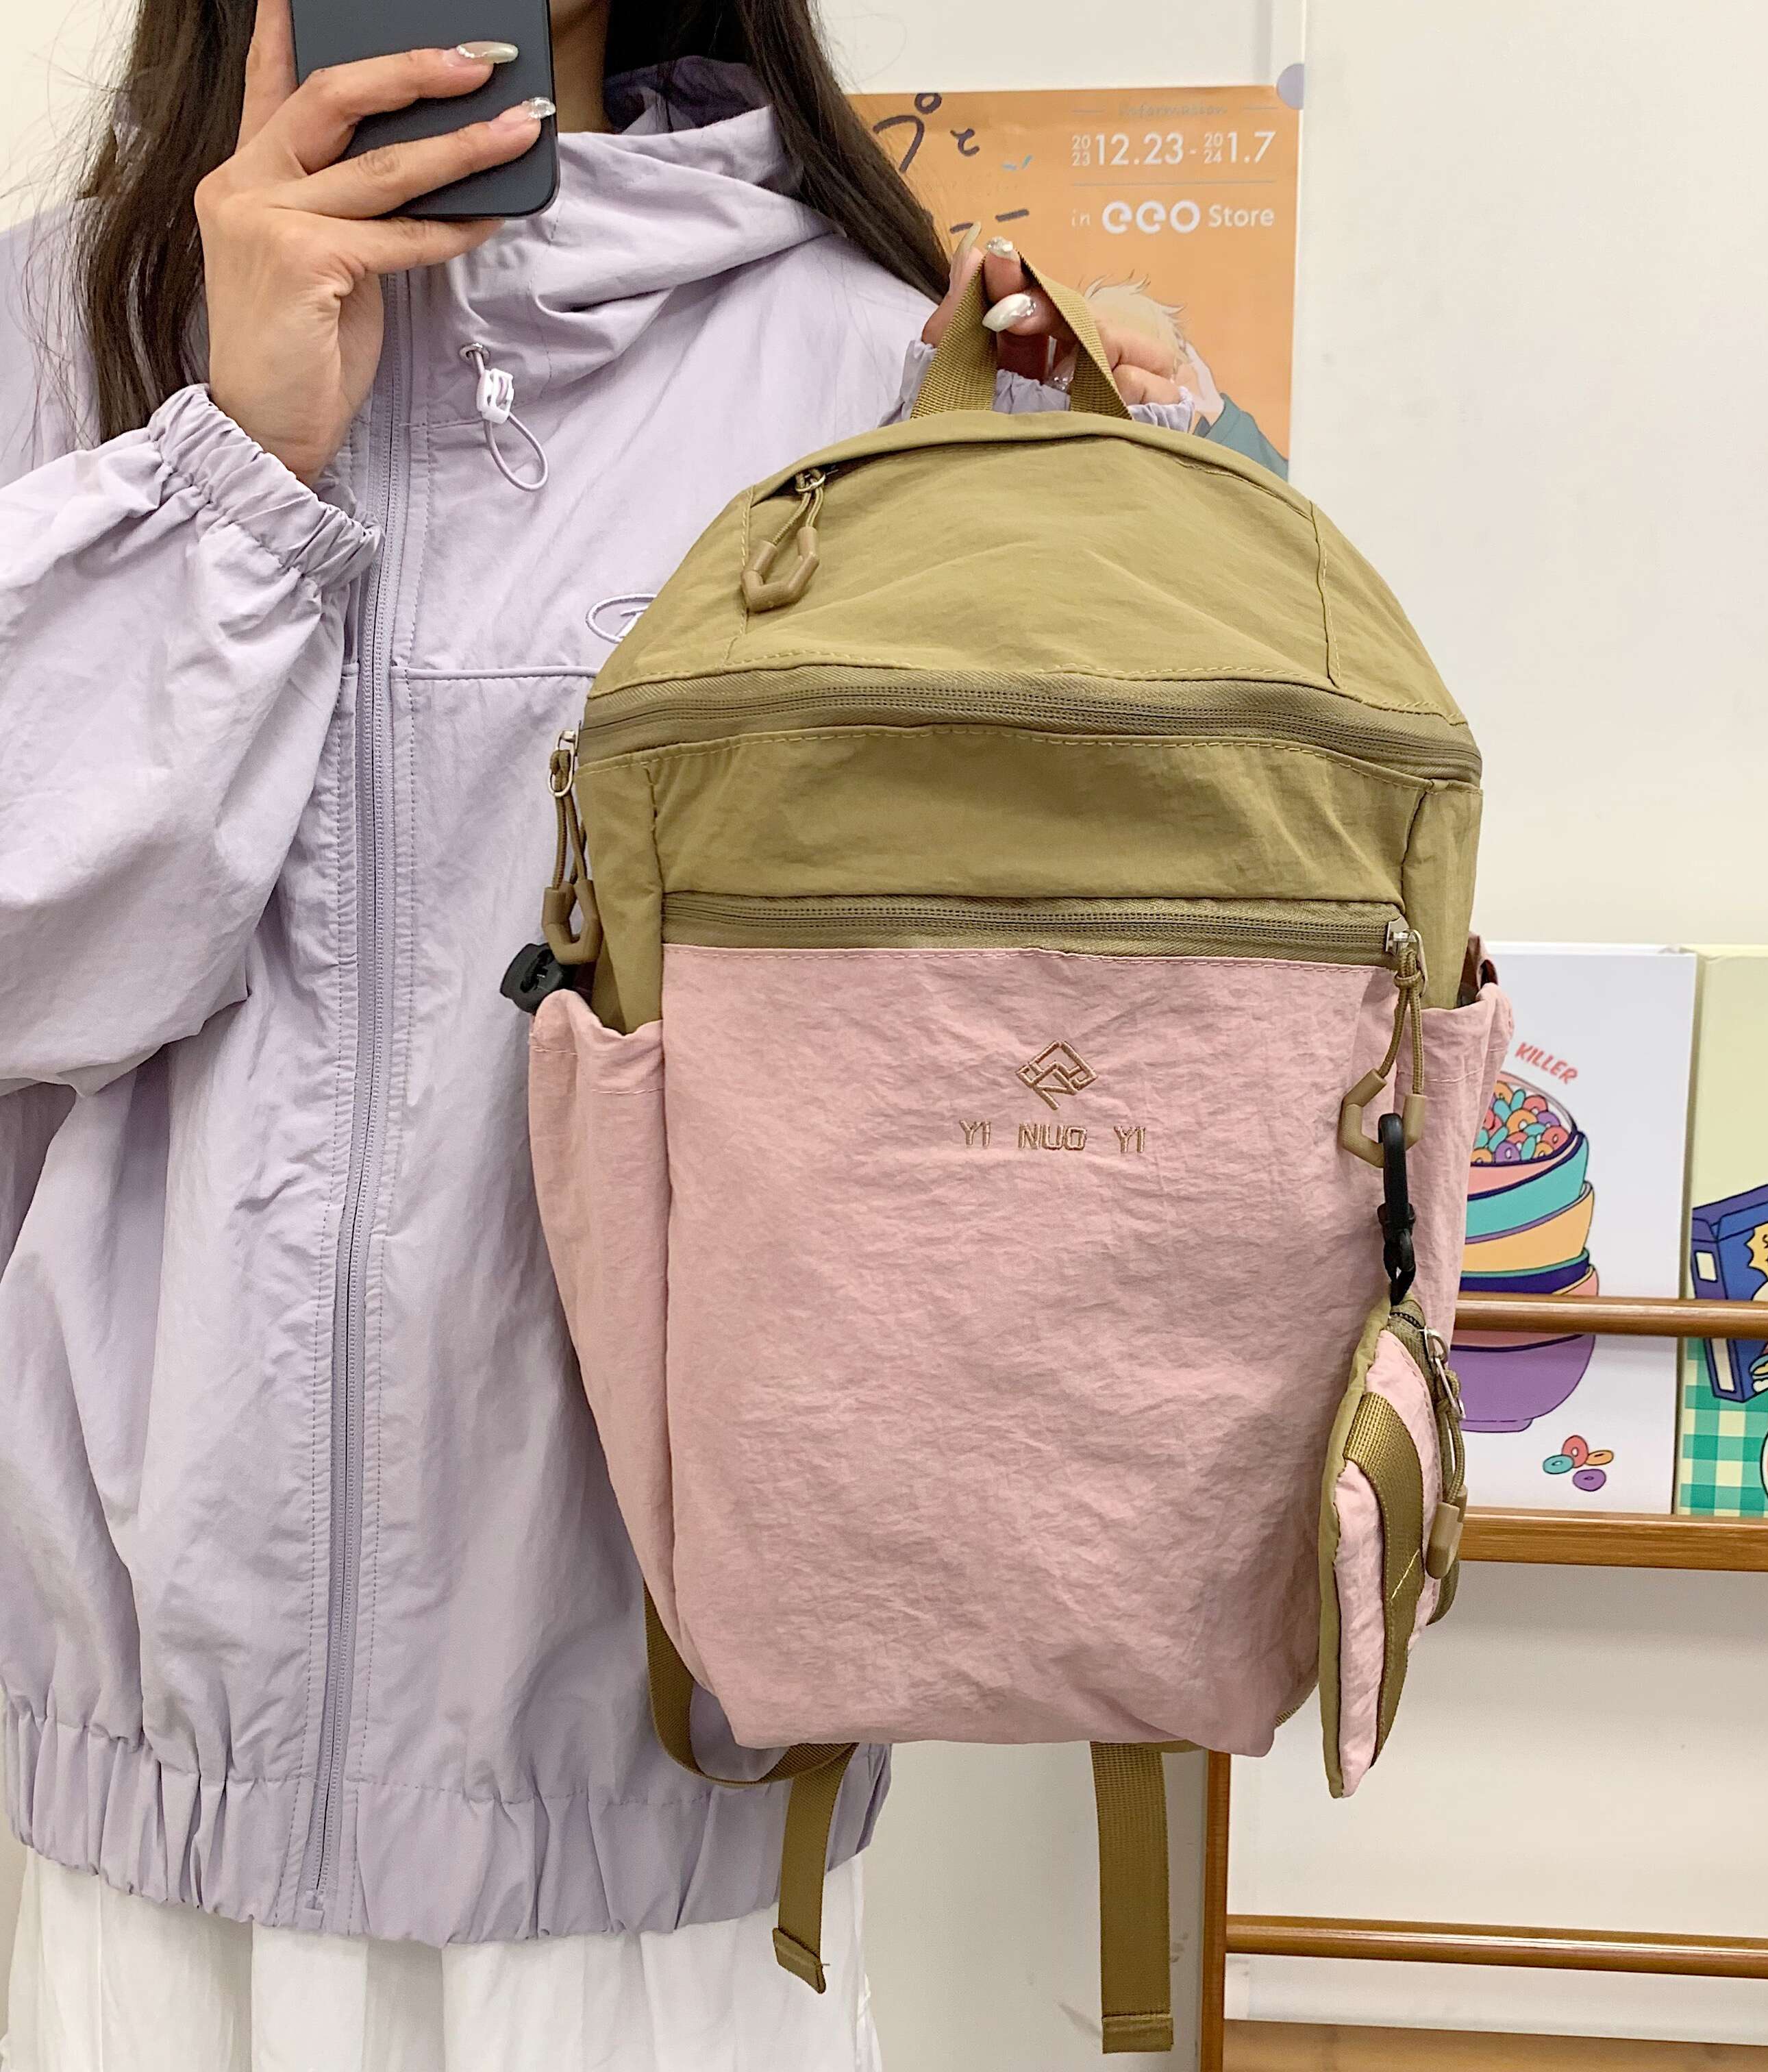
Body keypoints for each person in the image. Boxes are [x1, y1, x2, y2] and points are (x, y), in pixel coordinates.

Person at [0, 2, 1190, 2064]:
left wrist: (1124, 509)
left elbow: (1000, 1051)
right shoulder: (63, 320)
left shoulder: (867, 360)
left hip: (650, 1770)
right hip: (140, 1766)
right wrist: (231, 471)